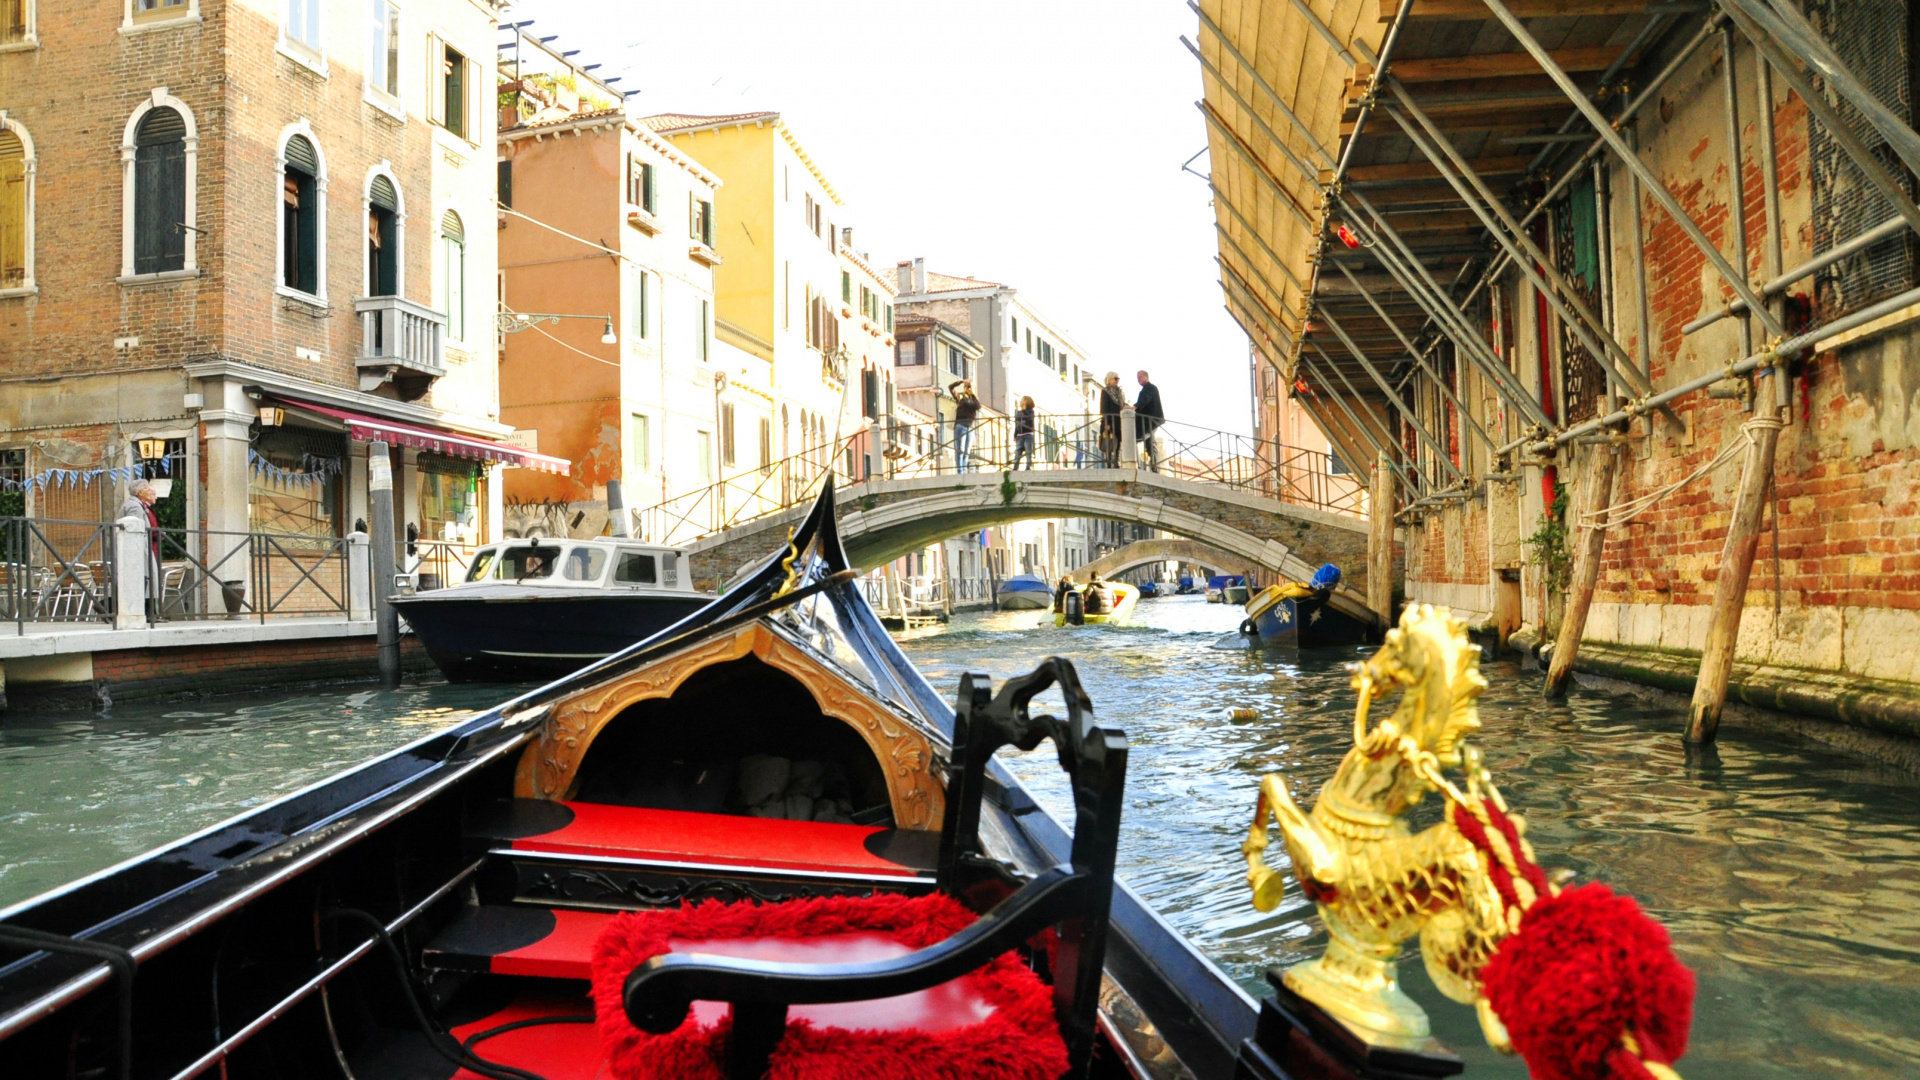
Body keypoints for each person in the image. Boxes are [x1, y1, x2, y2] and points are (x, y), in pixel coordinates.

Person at [119, 479, 162, 619]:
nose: (154, 495)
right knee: (144, 578)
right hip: (139, 548)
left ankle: (149, 614)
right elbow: (136, 528)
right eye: (150, 491)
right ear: (141, 493)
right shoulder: (135, 506)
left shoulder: (138, 505)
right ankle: (145, 614)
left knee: (146, 578)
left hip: (144, 546)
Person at [948, 378, 981, 473]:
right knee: (960, 449)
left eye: (970, 386)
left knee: (967, 451)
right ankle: (960, 471)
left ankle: (963, 470)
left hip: (970, 427)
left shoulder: (974, 399)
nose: (969, 388)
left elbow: (978, 407)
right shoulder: (960, 396)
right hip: (960, 425)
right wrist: (962, 381)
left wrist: (973, 394)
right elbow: (950, 387)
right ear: (964, 387)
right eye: (967, 386)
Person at [1134, 370, 1164, 471]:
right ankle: (1155, 468)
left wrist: (1134, 407)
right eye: (1137, 378)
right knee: (1150, 444)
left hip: (1151, 422)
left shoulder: (1151, 389)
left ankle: (1139, 465)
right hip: (1147, 423)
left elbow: (1144, 401)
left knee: (1137, 440)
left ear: (1146, 377)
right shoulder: (1145, 390)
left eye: (1140, 377)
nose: (1138, 380)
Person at [1098, 372, 1126, 468]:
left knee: (1118, 440)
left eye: (1118, 379)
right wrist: (1107, 423)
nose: (1117, 380)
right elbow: (1104, 408)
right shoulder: (1105, 391)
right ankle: (1109, 462)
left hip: (1119, 420)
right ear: (1110, 379)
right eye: (1115, 378)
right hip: (1110, 420)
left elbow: (1122, 404)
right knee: (1109, 440)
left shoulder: (1120, 392)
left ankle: (1116, 461)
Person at [1012, 396, 1037, 471]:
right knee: (1018, 451)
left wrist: (1023, 412)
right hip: (1020, 435)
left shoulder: (1030, 411)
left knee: (1028, 451)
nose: (1020, 402)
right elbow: (1017, 424)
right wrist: (1015, 434)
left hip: (1028, 434)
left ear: (1026, 402)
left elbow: (1029, 419)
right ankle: (1015, 467)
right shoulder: (1019, 413)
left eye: (1022, 400)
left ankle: (1028, 466)